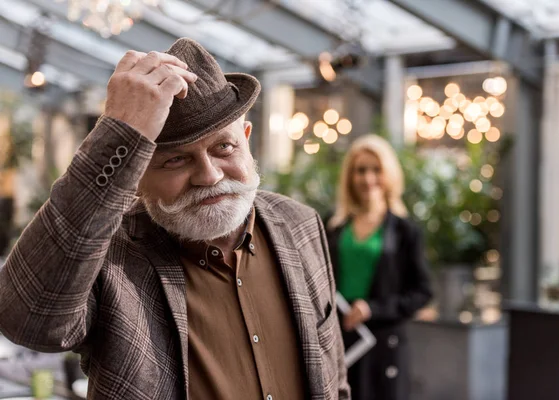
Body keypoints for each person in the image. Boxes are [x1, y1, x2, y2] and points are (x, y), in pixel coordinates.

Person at [0, 38, 349, 400]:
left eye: (224, 147)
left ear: (247, 138)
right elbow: (28, 318)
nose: (209, 175)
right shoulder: (111, 256)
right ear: (138, 174)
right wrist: (119, 134)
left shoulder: (300, 224)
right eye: (176, 160)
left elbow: (333, 378)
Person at [326, 134, 432, 400]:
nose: (368, 178)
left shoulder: (405, 231)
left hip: (383, 342)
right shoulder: (333, 226)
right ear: (350, 176)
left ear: (389, 176)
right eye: (361, 170)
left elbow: (423, 291)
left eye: (376, 170)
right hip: (339, 336)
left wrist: (373, 309)